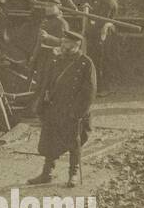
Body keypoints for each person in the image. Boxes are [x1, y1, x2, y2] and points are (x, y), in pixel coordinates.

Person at [32, 31, 96, 187]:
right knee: (50, 140)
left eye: (67, 44)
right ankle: (47, 173)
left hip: (72, 109)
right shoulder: (56, 60)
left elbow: (90, 91)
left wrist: (79, 111)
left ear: (76, 45)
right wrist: (42, 102)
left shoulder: (85, 63)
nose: (63, 46)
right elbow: (47, 82)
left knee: (74, 142)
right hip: (55, 107)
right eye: (63, 42)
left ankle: (73, 174)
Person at [26, 0, 70, 107]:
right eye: (46, 6)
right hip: (42, 55)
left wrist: (49, 37)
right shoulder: (45, 21)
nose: (48, 8)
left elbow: (65, 42)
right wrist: (34, 56)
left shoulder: (62, 23)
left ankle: (47, 107)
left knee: (49, 82)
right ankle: (35, 107)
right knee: (39, 82)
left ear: (58, 7)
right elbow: (39, 42)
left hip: (53, 56)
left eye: (51, 6)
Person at [86, 0, 119, 96]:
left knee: (103, 60)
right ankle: (98, 86)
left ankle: (106, 88)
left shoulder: (108, 0)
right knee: (97, 59)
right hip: (98, 32)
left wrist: (90, 30)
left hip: (105, 32)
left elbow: (101, 19)